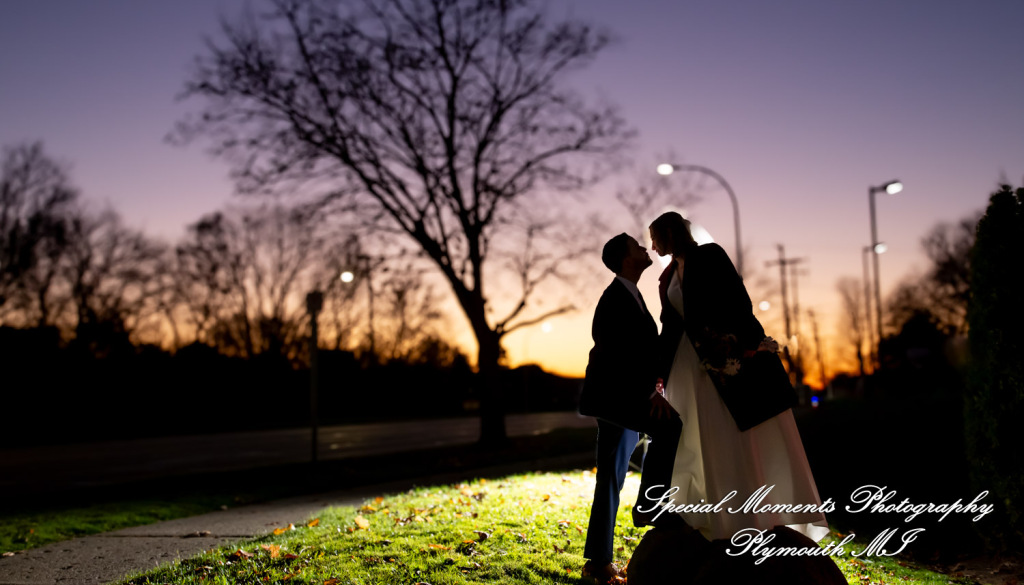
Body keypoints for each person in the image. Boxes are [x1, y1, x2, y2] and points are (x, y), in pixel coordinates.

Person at [646, 211, 829, 542]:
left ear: (669, 233)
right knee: (695, 438)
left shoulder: (710, 255)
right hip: (685, 367)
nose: (652, 246)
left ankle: (750, 513)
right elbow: (669, 325)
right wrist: (658, 370)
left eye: (654, 238)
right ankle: (706, 512)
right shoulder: (666, 276)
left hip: (721, 358)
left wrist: (744, 345)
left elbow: (737, 301)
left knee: (730, 432)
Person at [578, 233, 684, 584]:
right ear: (626, 260)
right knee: (669, 427)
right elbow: (616, 354)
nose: (644, 249)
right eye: (637, 247)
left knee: (610, 475)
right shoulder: (614, 299)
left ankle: (597, 562)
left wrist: (657, 379)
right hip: (615, 398)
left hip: (622, 397)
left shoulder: (632, 293)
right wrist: (648, 393)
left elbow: (641, 349)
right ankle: (650, 505)